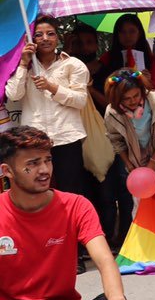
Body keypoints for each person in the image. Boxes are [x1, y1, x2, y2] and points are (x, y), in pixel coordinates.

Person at [0, 127, 134, 300]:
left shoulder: (76, 205)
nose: (44, 170)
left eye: (47, 160)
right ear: (7, 171)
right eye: (32, 164)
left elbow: (105, 260)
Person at [5, 16, 92, 197]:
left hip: (66, 137)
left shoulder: (72, 64)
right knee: (35, 190)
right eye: (39, 35)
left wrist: (51, 87)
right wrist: (23, 63)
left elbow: (80, 100)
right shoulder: (24, 66)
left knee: (70, 191)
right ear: (31, 39)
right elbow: (13, 95)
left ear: (57, 38)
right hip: (33, 140)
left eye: (50, 34)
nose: (45, 38)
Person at [102, 68, 155, 239]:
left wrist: (154, 161)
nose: (133, 101)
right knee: (139, 202)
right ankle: (143, 239)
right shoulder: (112, 112)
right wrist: (129, 164)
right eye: (127, 99)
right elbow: (116, 141)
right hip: (135, 157)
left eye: (136, 96)